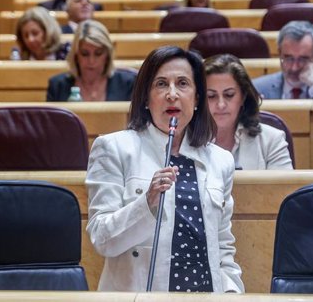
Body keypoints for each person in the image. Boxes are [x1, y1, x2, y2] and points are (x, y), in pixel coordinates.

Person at [86, 46, 244, 293]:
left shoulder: (220, 160)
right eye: (161, 84)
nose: (172, 94)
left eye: (182, 83)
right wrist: (146, 204)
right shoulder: (114, 148)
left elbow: (223, 247)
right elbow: (102, 239)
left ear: (197, 97)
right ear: (146, 99)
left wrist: (232, 293)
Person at [204, 54, 293, 170]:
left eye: (229, 95)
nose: (221, 104)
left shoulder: (272, 140)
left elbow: (284, 187)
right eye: (211, 96)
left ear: (243, 97)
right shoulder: (184, 140)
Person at [253, 20, 313, 99]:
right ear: (279, 53)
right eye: (288, 58)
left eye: (303, 59)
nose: (294, 67)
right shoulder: (258, 88)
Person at [47, 20, 136, 101]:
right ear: (76, 55)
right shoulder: (57, 85)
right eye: (84, 54)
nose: (91, 61)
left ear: (107, 55)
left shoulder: (127, 84)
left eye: (98, 53)